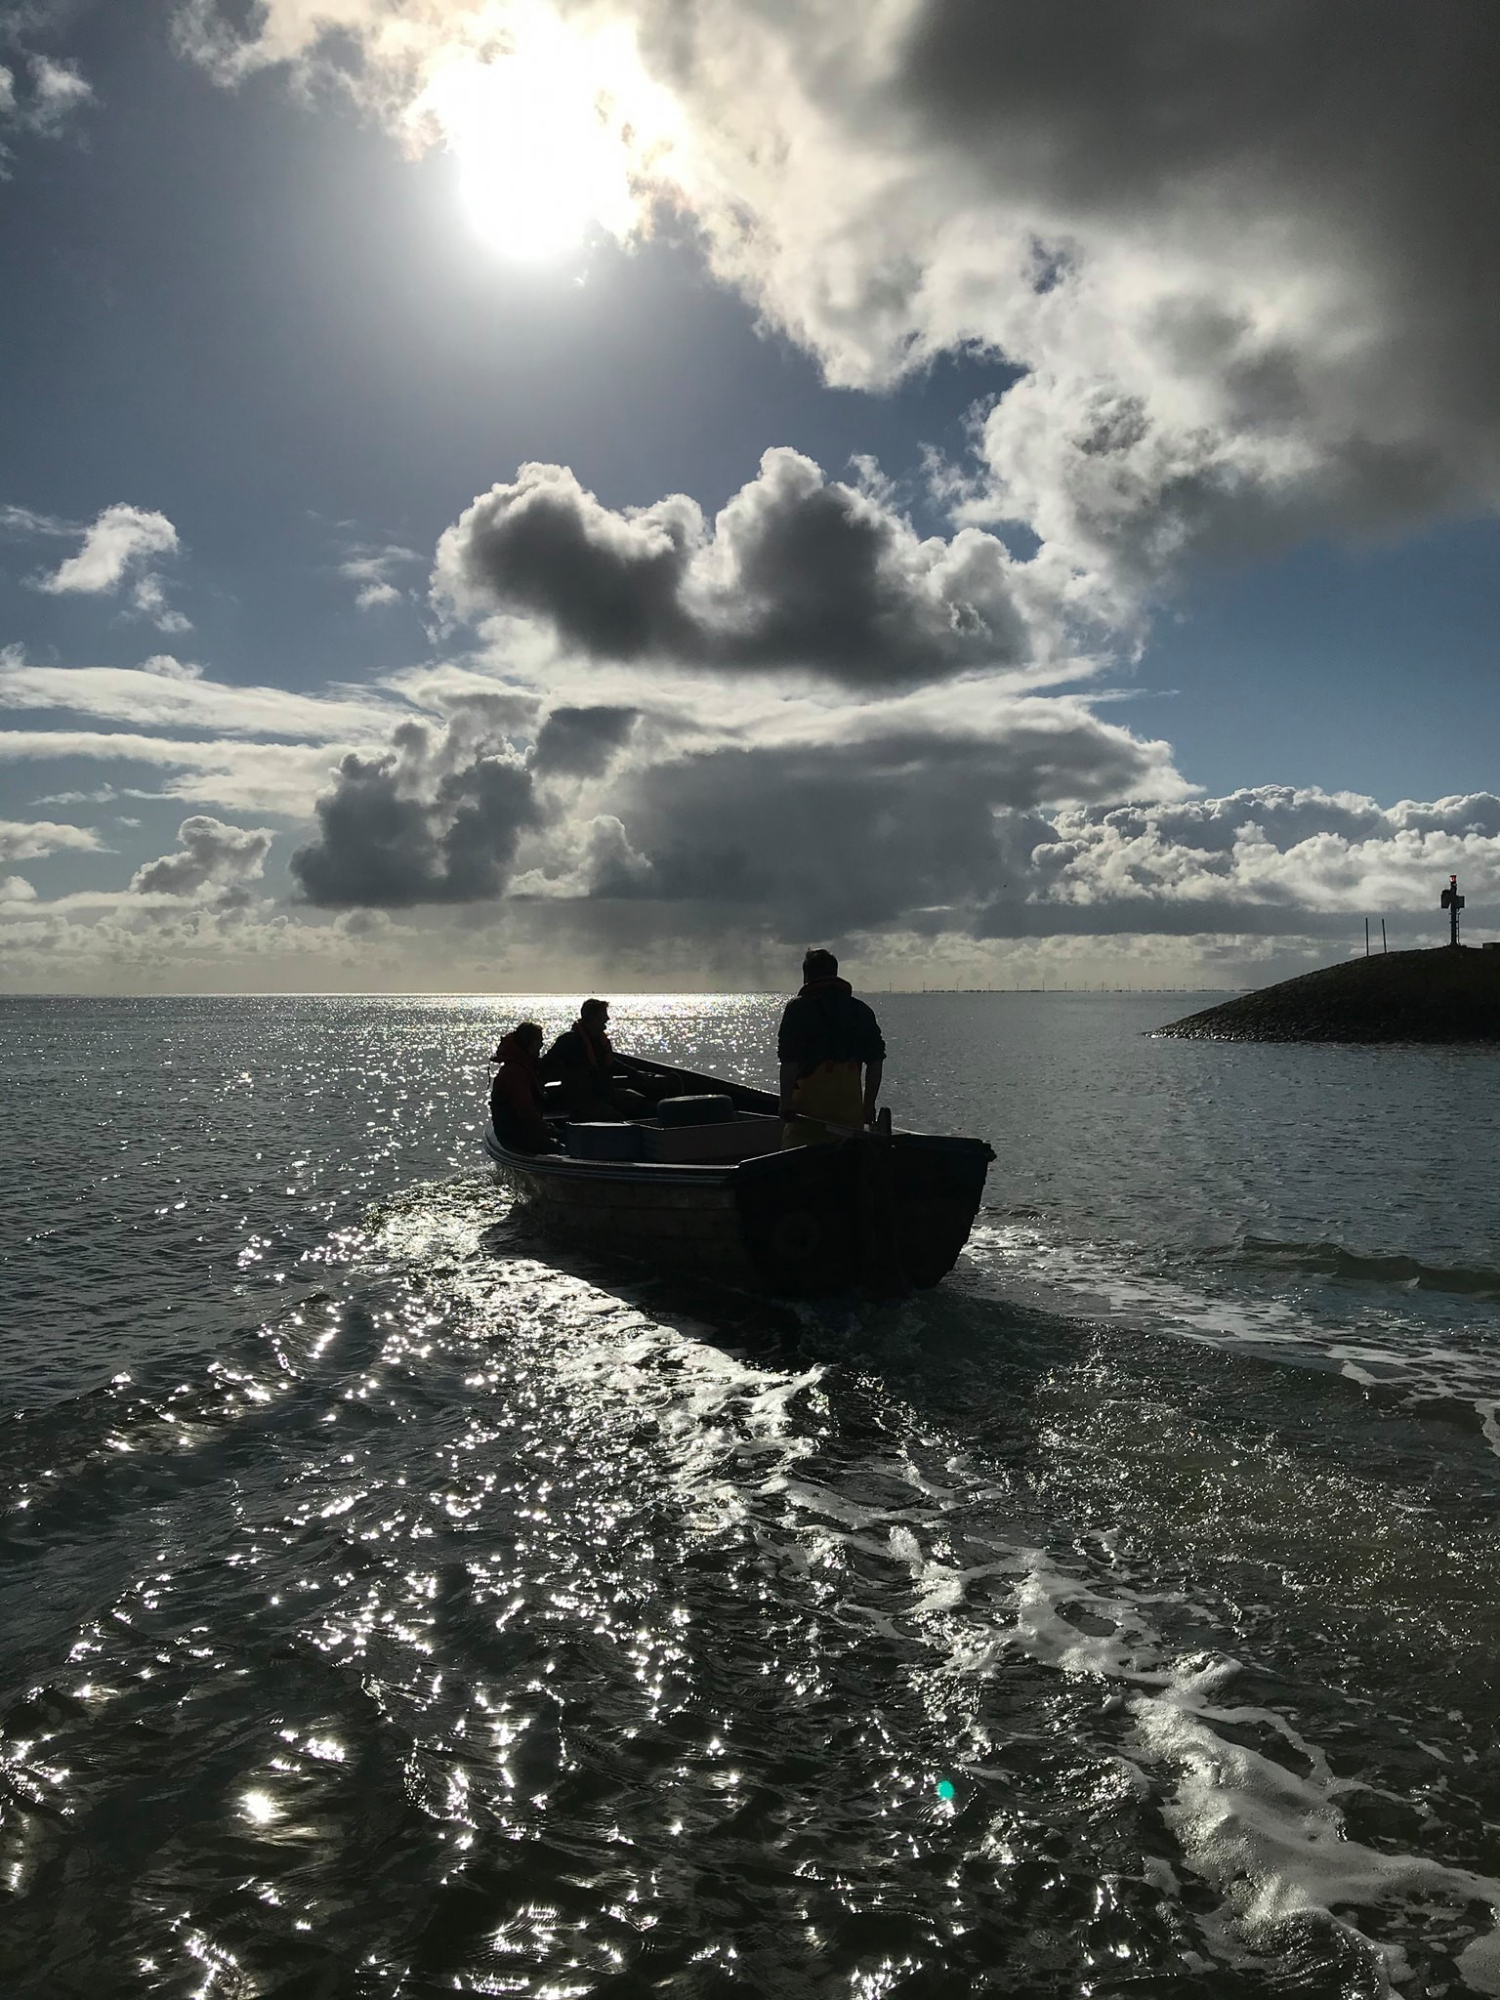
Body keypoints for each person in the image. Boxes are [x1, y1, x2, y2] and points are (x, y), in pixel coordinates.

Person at [777, 949, 886, 1147]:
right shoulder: (862, 1011)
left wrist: (785, 1104)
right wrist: (868, 1105)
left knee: (794, 1154)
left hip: (809, 1114)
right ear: (835, 973)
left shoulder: (798, 1009)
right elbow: (876, 1061)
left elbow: (789, 1063)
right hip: (850, 1112)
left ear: (806, 977)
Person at [542, 998, 650, 1121]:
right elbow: (547, 1064)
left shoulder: (598, 1041)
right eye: (603, 1015)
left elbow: (610, 1063)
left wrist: (632, 1072)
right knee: (617, 1119)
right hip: (583, 1100)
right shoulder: (568, 1041)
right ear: (592, 1018)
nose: (607, 1019)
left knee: (642, 1104)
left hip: (606, 1094)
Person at [488, 1022, 557, 1153]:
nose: (541, 1045)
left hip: (523, 1128)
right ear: (529, 1043)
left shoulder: (528, 1066)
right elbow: (526, 1110)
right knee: (562, 1148)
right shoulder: (514, 1073)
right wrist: (548, 1129)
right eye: (539, 1041)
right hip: (515, 1133)